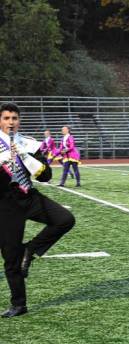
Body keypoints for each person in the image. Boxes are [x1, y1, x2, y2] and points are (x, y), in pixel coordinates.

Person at [0, 103, 75, 318]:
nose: (11, 122)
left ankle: (30, 250)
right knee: (10, 256)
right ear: (0, 121)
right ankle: (19, 304)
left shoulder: (29, 144)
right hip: (5, 203)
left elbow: (46, 176)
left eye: (14, 118)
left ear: (19, 121)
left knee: (65, 219)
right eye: (6, 118)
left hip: (29, 196)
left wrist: (26, 157)